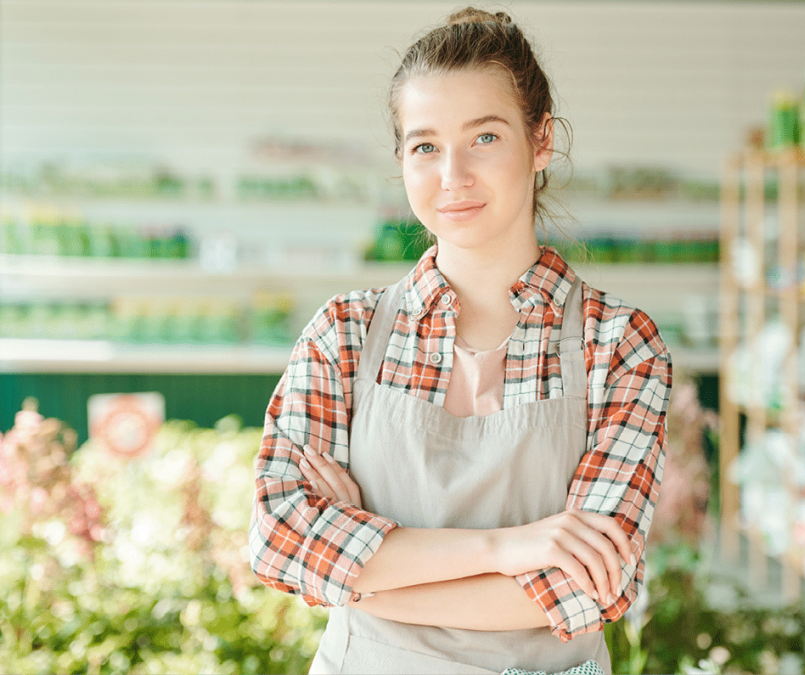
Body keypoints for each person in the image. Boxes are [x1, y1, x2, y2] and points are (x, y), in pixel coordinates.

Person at [249, 8, 670, 674]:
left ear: (541, 142)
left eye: (484, 138)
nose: (452, 174)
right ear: (401, 159)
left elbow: (588, 585)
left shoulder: (618, 346)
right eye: (424, 145)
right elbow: (282, 541)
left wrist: (361, 572)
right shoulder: (344, 334)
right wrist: (509, 548)